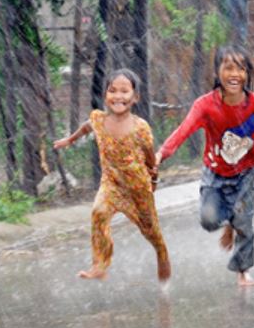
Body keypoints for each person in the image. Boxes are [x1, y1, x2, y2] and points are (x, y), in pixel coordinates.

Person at [156, 45, 254, 286]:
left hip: (246, 172)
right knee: (209, 220)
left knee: (244, 220)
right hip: (215, 172)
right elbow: (183, 130)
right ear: (217, 72)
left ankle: (242, 270)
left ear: (247, 74)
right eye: (229, 68)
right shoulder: (206, 105)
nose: (235, 74)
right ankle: (229, 223)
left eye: (241, 69)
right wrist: (162, 153)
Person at [54, 68, 170, 282]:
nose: (118, 96)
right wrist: (70, 140)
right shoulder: (99, 120)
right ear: (106, 94)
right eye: (112, 90)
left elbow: (150, 158)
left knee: (151, 230)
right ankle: (100, 264)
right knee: (98, 213)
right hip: (111, 184)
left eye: (124, 91)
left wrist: (153, 179)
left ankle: (161, 253)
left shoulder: (140, 128)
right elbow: (87, 127)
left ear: (135, 97)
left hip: (137, 189)